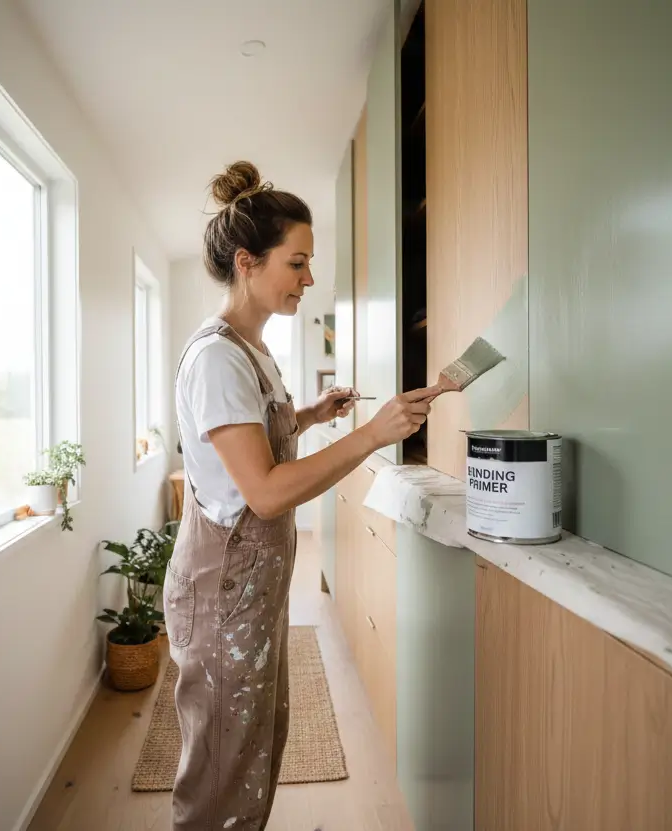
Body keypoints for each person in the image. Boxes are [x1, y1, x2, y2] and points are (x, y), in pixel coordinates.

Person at [164, 161, 440, 830]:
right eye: (297, 263)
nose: (308, 279)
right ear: (246, 262)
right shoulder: (219, 358)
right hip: (223, 594)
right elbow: (261, 491)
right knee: (223, 766)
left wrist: (312, 414)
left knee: (253, 744)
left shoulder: (252, 351)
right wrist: (372, 433)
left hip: (247, 591)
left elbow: (255, 443)